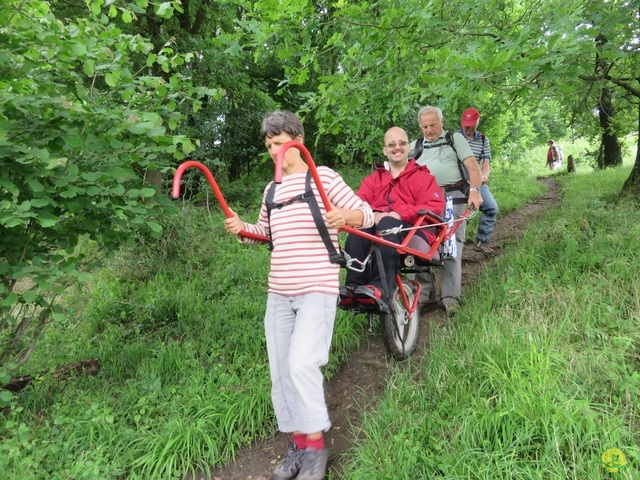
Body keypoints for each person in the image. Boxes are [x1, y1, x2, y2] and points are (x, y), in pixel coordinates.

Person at [224, 110, 374, 480]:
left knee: (302, 364)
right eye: (269, 145)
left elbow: (367, 214)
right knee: (281, 374)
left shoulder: (323, 177)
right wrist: (241, 228)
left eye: (280, 144)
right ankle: (299, 445)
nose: (274, 151)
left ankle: (316, 451)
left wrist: (346, 216)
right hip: (279, 293)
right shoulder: (271, 189)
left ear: (298, 141)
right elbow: (265, 232)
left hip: (316, 289)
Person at [340, 126, 445, 309]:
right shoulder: (374, 179)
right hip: (380, 229)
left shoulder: (423, 177)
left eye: (402, 143)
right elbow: (356, 204)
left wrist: (399, 213)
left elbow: (433, 206)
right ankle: (353, 286)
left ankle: (380, 288)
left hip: (413, 230)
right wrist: (374, 215)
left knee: (388, 223)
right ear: (385, 150)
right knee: (361, 227)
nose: (397, 148)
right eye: (392, 144)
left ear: (409, 148)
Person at [410, 106, 483, 317]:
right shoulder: (416, 146)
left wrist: (475, 192)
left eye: (432, 125)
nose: (428, 130)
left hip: (452, 198)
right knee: (419, 246)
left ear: (441, 122)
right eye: (424, 126)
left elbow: (472, 167)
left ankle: (450, 299)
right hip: (423, 202)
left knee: (451, 246)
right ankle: (423, 296)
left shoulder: (455, 139)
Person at [459, 108, 499, 254]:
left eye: (472, 125)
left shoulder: (482, 139)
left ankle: (482, 242)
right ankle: (452, 249)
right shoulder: (454, 138)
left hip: (476, 182)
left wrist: (484, 175)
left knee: (491, 208)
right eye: (466, 125)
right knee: (456, 216)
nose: (468, 128)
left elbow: (486, 164)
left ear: (477, 122)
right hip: (457, 183)